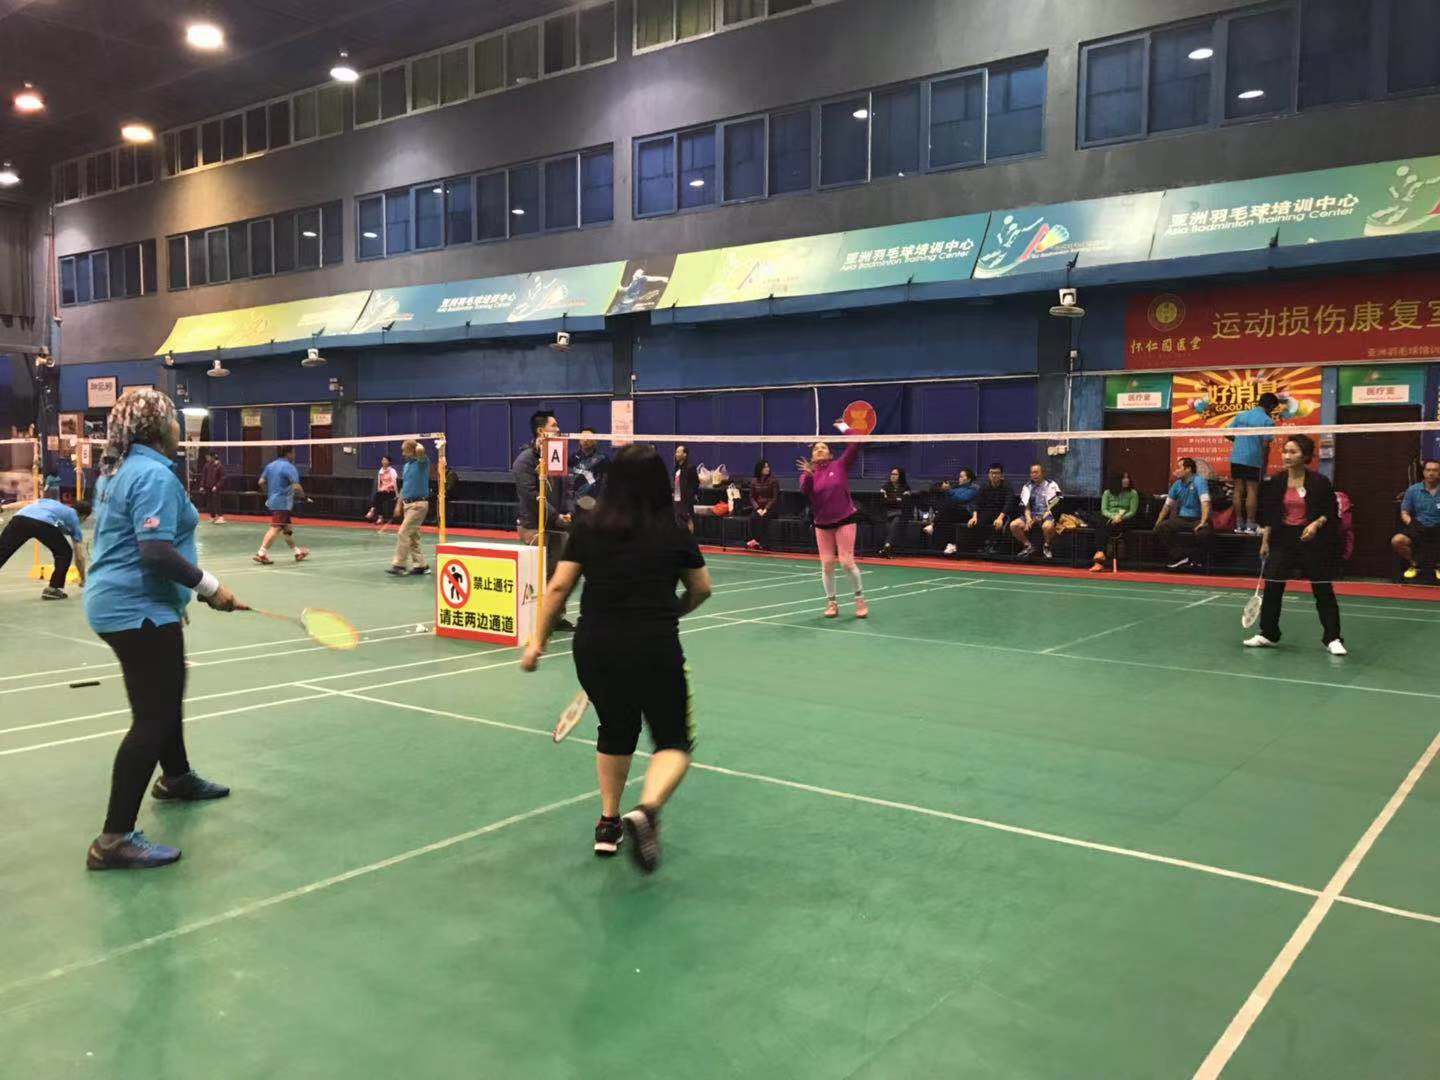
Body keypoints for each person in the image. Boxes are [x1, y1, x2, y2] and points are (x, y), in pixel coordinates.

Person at [520, 444, 712, 874]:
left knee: (615, 729)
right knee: (673, 741)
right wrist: (674, 610)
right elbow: (702, 588)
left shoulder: (589, 527)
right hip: (654, 645)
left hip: (595, 646)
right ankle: (647, 810)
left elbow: (556, 590)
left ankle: (608, 824)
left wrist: (536, 643)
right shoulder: (674, 530)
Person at [83, 389, 241, 870]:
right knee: (152, 717)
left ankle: (176, 778)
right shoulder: (153, 474)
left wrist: (175, 599)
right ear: (158, 429)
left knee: (164, 697)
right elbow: (153, 551)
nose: (180, 428)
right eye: (175, 420)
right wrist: (209, 587)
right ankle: (113, 840)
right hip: (137, 608)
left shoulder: (118, 471)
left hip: (132, 602)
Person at [1245, 434, 1346, 656]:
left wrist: (1315, 525)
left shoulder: (1319, 482)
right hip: (1282, 539)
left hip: (1312, 540)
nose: (1287, 456)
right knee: (1272, 587)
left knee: (1322, 588)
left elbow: (1330, 513)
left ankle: (1333, 638)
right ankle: (1268, 634)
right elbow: (1271, 516)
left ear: (1306, 456)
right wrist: (1265, 542)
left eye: (1293, 452)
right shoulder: (1276, 482)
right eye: (1285, 451)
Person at [797, 432, 868, 618]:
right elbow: (805, 491)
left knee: (846, 562)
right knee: (827, 564)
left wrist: (845, 428)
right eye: (816, 448)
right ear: (812, 456)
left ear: (830, 454)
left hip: (845, 519)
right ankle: (832, 602)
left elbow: (855, 444)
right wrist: (810, 475)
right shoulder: (806, 474)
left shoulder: (840, 465)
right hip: (822, 523)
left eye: (824, 447)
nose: (820, 449)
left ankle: (859, 599)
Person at [512, 411, 572, 627]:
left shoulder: (556, 454)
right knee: (538, 574)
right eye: (554, 425)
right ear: (541, 431)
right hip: (533, 527)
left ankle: (556, 617)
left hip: (556, 525)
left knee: (558, 575)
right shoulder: (524, 461)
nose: (558, 429)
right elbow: (531, 496)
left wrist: (568, 512)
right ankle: (536, 618)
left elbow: (566, 489)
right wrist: (556, 516)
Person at [0, 497, 90, 599]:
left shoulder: (50, 502)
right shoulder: (74, 518)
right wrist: (83, 578)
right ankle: (54, 589)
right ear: (83, 517)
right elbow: (79, 556)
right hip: (43, 523)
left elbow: (27, 502)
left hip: (19, 519)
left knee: (2, 551)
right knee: (65, 553)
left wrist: (3, 507)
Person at [1226, 392, 1280, 535]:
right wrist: (1264, 463)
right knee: (1252, 490)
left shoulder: (1241, 416)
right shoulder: (1268, 421)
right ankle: (1250, 525)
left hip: (1237, 457)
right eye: (1273, 408)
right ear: (1271, 406)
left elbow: (1227, 433)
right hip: (1253, 459)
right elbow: (1265, 445)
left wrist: (1238, 442)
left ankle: (1238, 524)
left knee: (1238, 490)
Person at [1154, 458, 1213, 570]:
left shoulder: (1199, 481)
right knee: (1161, 527)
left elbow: (1205, 503)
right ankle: (1181, 556)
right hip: (1182, 519)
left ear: (1188, 469)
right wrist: (1158, 522)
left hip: (1199, 519)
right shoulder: (1176, 485)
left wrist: (1203, 522)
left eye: (1179, 467)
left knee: (1203, 533)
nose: (1176, 470)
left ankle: (1198, 560)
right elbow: (1167, 506)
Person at [253, 447, 309, 565]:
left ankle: (297, 552)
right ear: (288, 454)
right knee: (275, 528)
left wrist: (268, 493)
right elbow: (296, 486)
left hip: (274, 501)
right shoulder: (289, 467)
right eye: (293, 453)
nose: (294, 455)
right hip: (283, 503)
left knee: (287, 529)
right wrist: (304, 497)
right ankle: (261, 553)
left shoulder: (270, 466)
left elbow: (261, 482)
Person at [387, 439, 432, 576]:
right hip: (407, 504)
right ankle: (421, 566)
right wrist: (398, 505)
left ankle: (399, 565)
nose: (402, 452)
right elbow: (404, 488)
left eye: (404, 449)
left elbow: (420, 450)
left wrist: (414, 443)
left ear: (412, 450)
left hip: (419, 505)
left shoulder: (422, 463)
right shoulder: (406, 466)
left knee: (403, 532)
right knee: (413, 536)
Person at [1393, 458, 1440, 583]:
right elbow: (1404, 512)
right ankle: (1415, 564)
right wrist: (1413, 524)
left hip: (1438, 527)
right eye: (1428, 470)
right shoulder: (1413, 490)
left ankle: (1438, 565)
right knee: (1397, 540)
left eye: (1435, 470)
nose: (1431, 473)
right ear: (1423, 472)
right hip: (1419, 527)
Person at [1009, 463, 1062, 559]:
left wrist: (1040, 518)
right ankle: (1028, 546)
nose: (1034, 475)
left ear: (1043, 473)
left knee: (1047, 526)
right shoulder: (1027, 487)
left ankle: (1047, 546)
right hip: (1032, 514)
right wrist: (1029, 519)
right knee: (1014, 525)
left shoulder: (1051, 485)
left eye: (1036, 472)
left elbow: (1054, 505)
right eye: (1032, 473)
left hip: (1047, 513)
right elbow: (1026, 506)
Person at [926, 466, 982, 556]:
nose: (959, 478)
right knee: (944, 518)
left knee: (948, 507)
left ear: (968, 479)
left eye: (962, 476)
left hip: (966, 513)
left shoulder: (974, 488)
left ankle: (933, 525)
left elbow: (961, 499)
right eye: (959, 476)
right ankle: (946, 545)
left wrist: (948, 490)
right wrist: (943, 490)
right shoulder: (956, 488)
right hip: (952, 513)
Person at [1090, 471, 1140, 572]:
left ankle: (1099, 558)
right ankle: (1100, 555)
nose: (1127, 480)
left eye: (1127, 478)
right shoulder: (1107, 493)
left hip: (1126, 519)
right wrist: (1113, 517)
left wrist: (1121, 517)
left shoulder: (1133, 493)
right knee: (1101, 521)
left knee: (1106, 526)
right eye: (1124, 478)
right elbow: (1104, 510)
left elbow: (1132, 511)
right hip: (1110, 518)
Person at [969, 463, 1015, 555]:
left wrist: (1000, 518)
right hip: (988, 512)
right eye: (991, 473)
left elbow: (1008, 504)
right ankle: (984, 545)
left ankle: (996, 547)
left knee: (998, 524)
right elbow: (977, 502)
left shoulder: (1007, 486)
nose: (994, 475)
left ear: (1001, 475)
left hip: (1003, 514)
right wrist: (974, 517)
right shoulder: (984, 486)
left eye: (996, 473)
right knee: (977, 522)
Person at [569, 429, 610, 515]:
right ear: (579, 440)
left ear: (595, 441)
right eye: (583, 437)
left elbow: (607, 482)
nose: (586, 440)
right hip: (576, 503)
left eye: (589, 437)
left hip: (594, 504)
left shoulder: (602, 459)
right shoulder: (573, 457)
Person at [746, 459, 779, 551]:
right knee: (752, 518)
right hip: (759, 507)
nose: (767, 468)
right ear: (759, 469)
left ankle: (763, 543)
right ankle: (756, 540)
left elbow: (774, 498)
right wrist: (757, 508)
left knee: (764, 518)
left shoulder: (773, 480)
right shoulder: (754, 481)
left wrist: (766, 509)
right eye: (765, 467)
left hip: (771, 508)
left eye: (768, 466)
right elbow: (752, 497)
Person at [879, 467, 912, 557]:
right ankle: (887, 547)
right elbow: (883, 501)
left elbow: (904, 502)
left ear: (900, 476)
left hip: (901, 514)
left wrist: (890, 499)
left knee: (896, 521)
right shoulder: (885, 487)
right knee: (891, 527)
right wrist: (897, 499)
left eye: (895, 474)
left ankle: (886, 546)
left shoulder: (906, 487)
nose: (892, 476)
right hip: (887, 513)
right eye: (892, 474)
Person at [672, 443, 700, 532]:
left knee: (689, 519)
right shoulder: (676, 468)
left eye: (678, 452)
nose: (676, 454)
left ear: (685, 454)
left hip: (686, 500)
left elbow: (696, 482)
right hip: (677, 499)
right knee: (678, 521)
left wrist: (691, 494)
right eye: (676, 452)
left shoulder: (690, 467)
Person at [365, 454, 398, 524]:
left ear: (389, 462)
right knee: (378, 498)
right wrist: (380, 489)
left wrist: (396, 494)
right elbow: (379, 483)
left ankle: (373, 511)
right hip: (382, 492)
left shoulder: (392, 471)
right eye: (382, 460)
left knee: (378, 497)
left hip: (392, 492)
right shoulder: (380, 471)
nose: (383, 461)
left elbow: (394, 483)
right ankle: (379, 517)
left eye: (385, 460)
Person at [200, 452, 227, 524]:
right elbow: (204, 476)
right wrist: (202, 486)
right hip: (208, 487)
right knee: (209, 503)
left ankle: (221, 517)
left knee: (216, 502)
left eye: (208, 457)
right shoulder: (206, 465)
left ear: (212, 457)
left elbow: (223, 478)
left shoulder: (219, 466)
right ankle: (212, 517)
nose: (207, 458)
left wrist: (217, 486)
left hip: (215, 488)